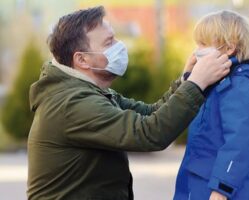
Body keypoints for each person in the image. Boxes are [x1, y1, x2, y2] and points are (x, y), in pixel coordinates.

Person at [27, 6, 231, 200]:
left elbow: (149, 114)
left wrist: (186, 80)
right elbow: (149, 133)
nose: (119, 46)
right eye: (108, 43)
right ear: (82, 60)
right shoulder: (72, 103)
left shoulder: (89, 92)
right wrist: (196, 83)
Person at [173, 10, 249, 200]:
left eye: (203, 44)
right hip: (197, 183)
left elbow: (240, 142)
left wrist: (222, 188)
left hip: (220, 190)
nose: (196, 50)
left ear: (229, 48)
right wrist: (188, 78)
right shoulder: (216, 82)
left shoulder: (240, 86)